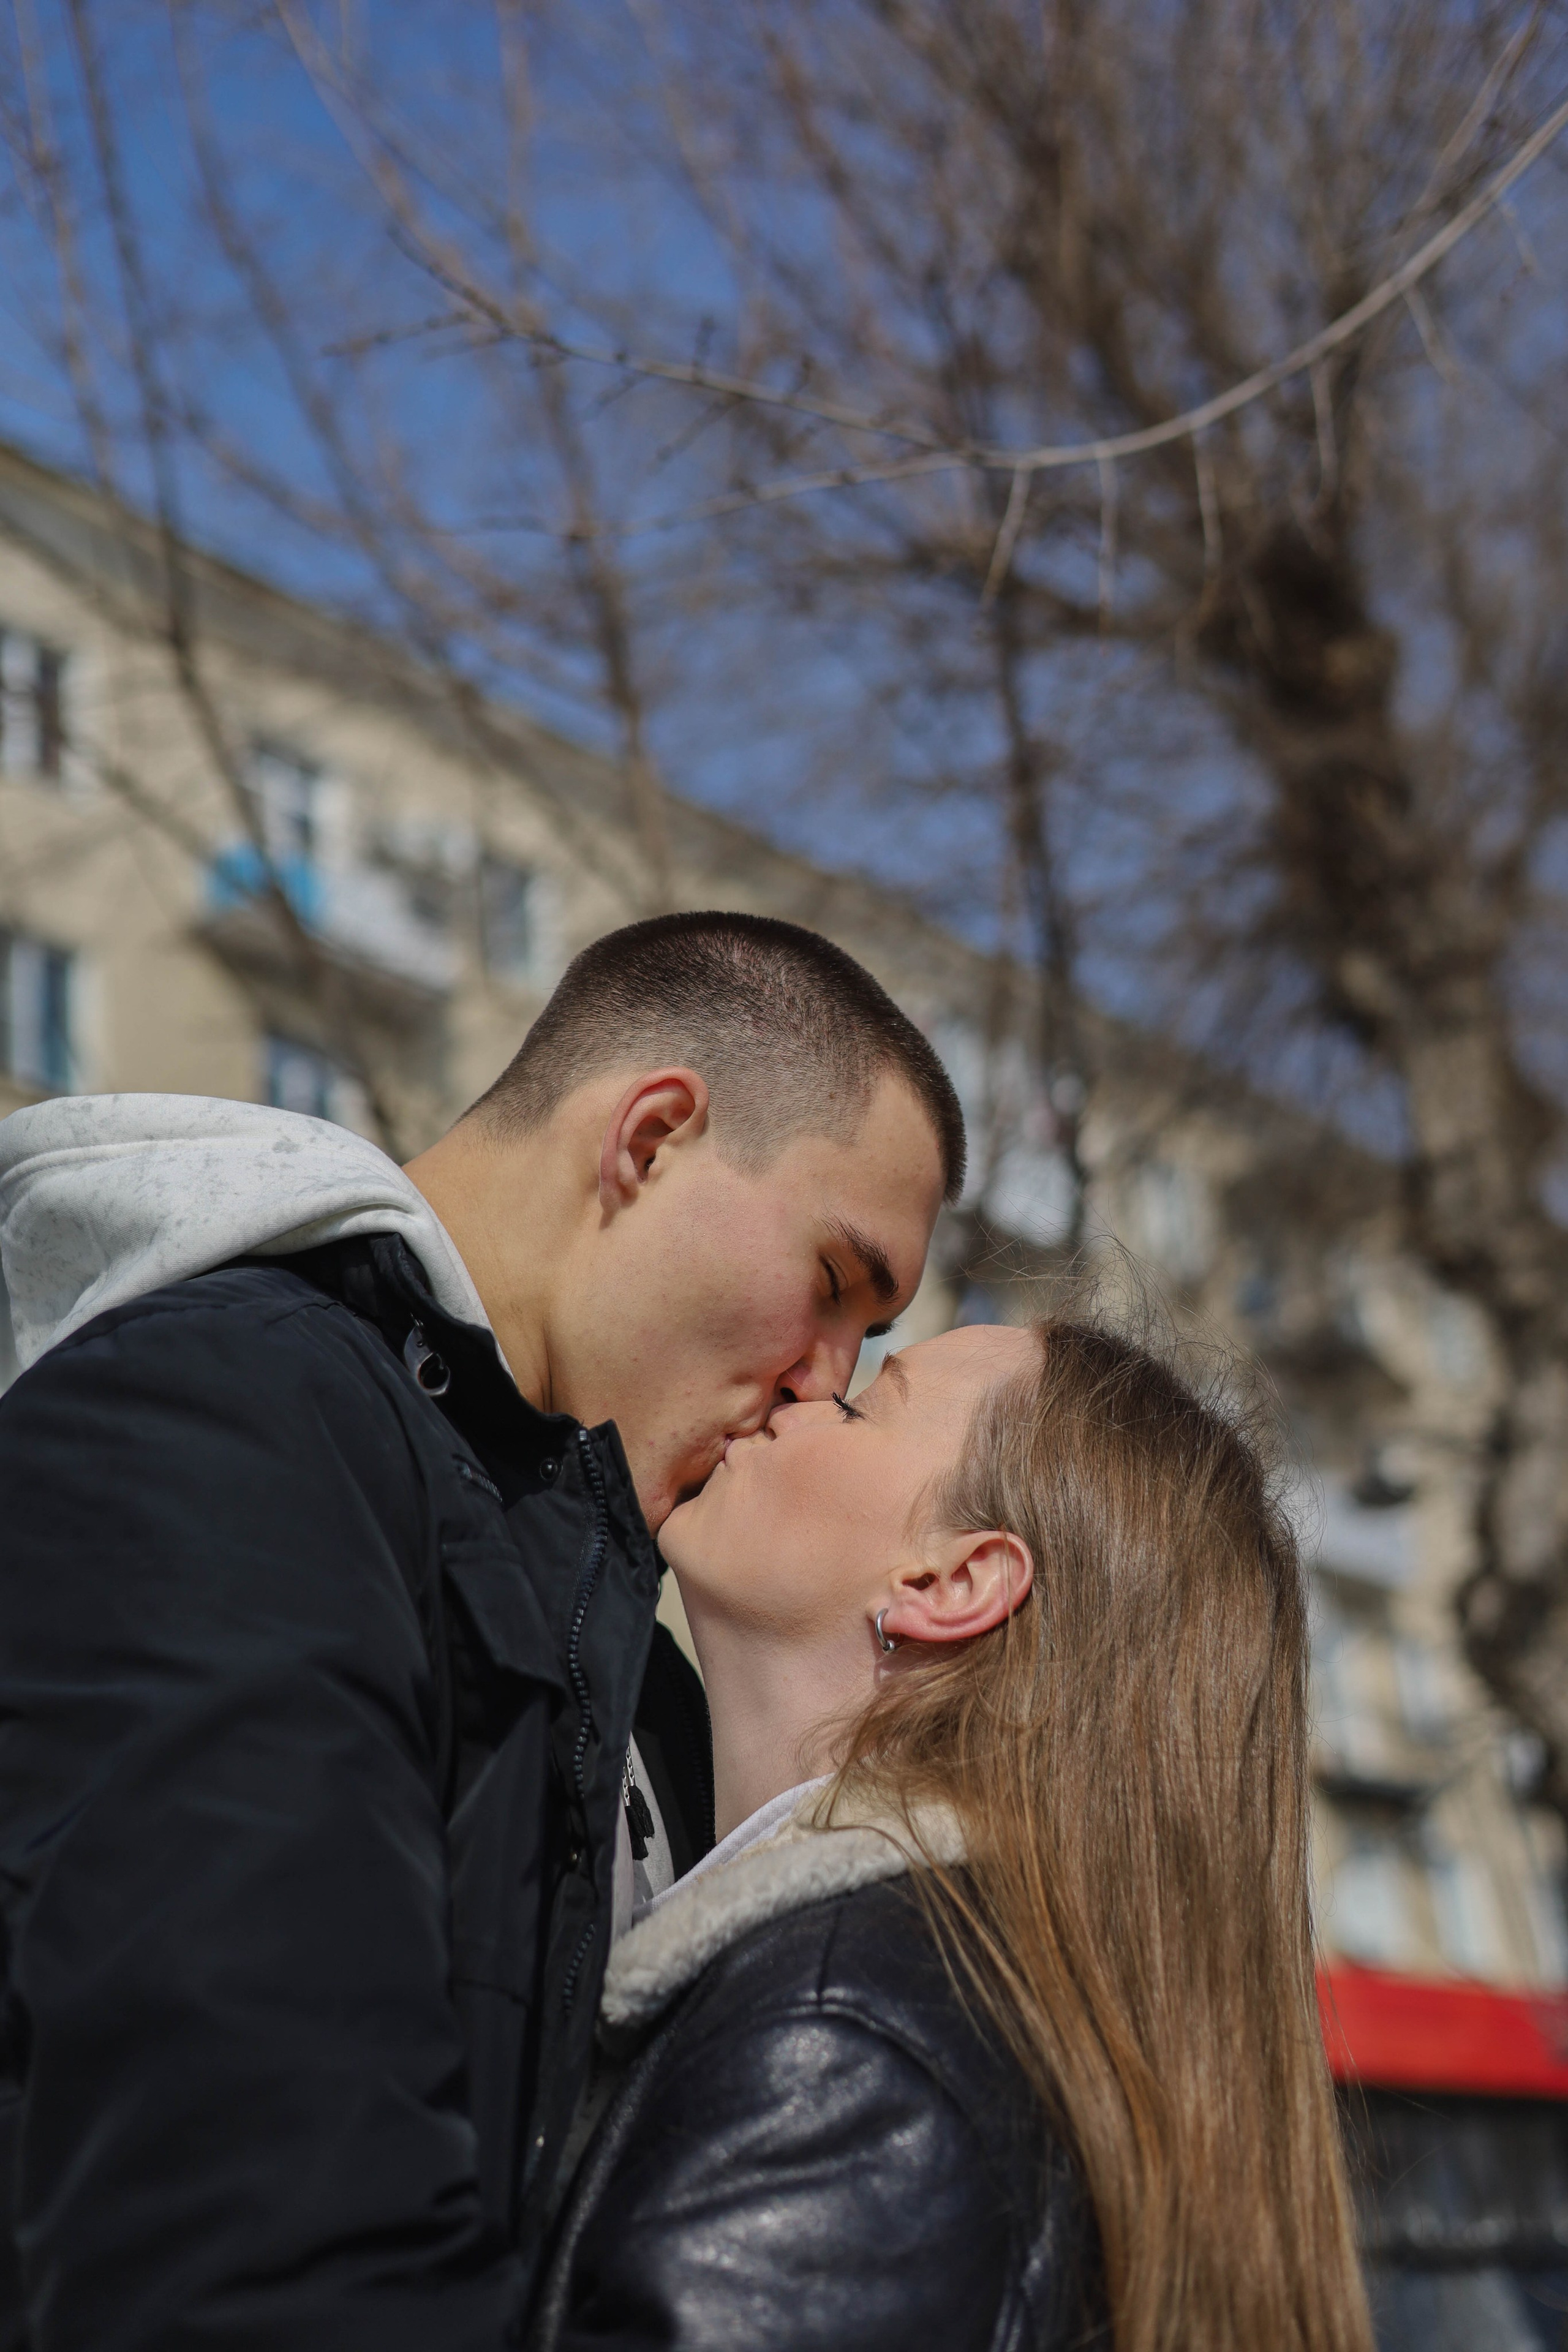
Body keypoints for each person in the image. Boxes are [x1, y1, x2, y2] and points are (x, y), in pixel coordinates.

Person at [0, 911, 963, 2352]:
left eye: (872, 1351)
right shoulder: (235, 1420)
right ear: (647, 1142)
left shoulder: (626, 1656)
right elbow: (255, 2254)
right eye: (834, 1285)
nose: (822, 1387)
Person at [535, 1313, 1376, 2352]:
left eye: (860, 1403)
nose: (801, 1389)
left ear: (950, 1584)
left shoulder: (845, 2030)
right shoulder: (952, 1999)